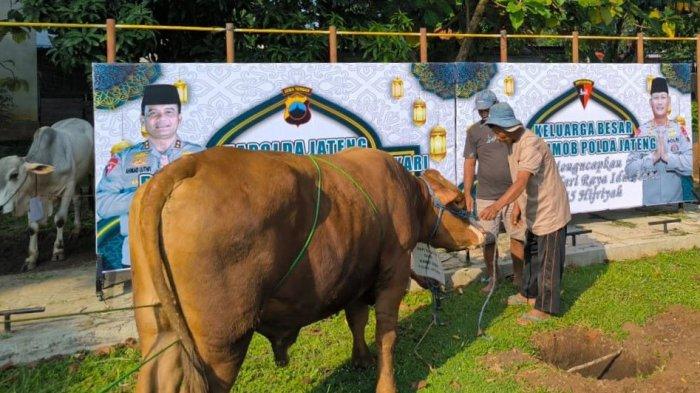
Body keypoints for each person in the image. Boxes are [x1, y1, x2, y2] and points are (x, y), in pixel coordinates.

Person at [478, 103, 571, 325]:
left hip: (550, 210)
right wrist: (519, 207)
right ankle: (527, 293)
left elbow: (521, 182)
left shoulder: (530, 145)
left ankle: (545, 309)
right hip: (533, 210)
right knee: (532, 254)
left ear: (505, 128)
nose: (495, 136)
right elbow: (521, 180)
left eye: (496, 131)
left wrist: (496, 206)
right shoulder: (512, 142)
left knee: (548, 262)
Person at [96, 84, 204, 267]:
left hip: (190, 249)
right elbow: (103, 203)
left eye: (169, 112)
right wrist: (149, 195)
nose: (161, 119)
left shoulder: (199, 155)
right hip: (140, 253)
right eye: (153, 113)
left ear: (179, 118)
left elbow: (212, 198)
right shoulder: (124, 157)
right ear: (142, 119)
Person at [463, 90, 525, 294]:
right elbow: (470, 163)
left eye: (486, 109)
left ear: (495, 105)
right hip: (485, 196)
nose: (483, 113)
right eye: (480, 110)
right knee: (488, 239)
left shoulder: (512, 128)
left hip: (513, 193)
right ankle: (493, 278)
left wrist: (519, 198)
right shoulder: (474, 132)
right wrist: (467, 194)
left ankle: (519, 278)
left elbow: (522, 161)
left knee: (517, 237)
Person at [624, 77, 693, 206]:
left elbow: (691, 165)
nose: (660, 102)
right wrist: (652, 158)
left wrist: (668, 158)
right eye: (656, 98)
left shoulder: (679, 130)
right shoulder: (642, 132)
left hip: (675, 203)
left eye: (663, 97)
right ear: (651, 102)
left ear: (669, 101)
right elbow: (629, 170)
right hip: (649, 206)